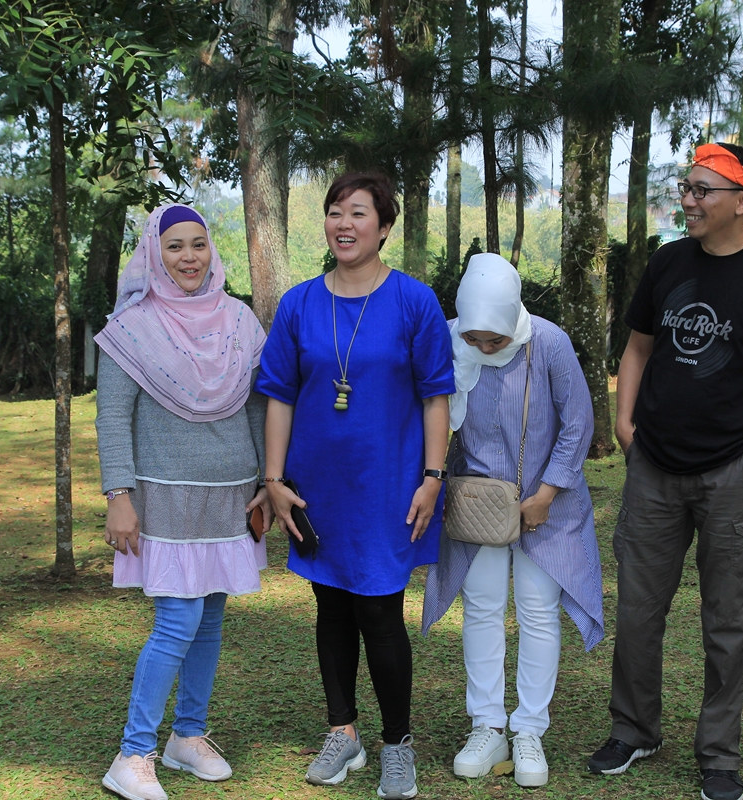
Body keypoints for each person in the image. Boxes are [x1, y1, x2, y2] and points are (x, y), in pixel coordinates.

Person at [586, 142, 743, 800]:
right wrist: (625, 424)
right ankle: (633, 730)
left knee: (727, 623)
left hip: (733, 474)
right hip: (654, 469)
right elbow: (638, 349)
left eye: (702, 191)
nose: (688, 201)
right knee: (638, 611)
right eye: (686, 188)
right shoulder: (668, 263)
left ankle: (719, 754)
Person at [256, 172, 454, 800]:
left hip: (389, 484)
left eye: (359, 213)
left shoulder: (414, 301)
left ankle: (398, 745)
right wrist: (273, 480)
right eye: (335, 212)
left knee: (380, 610)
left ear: (385, 227)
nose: (344, 224)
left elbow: (436, 397)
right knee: (332, 605)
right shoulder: (298, 305)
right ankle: (343, 732)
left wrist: (433, 477)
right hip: (318, 488)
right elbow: (280, 396)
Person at [94, 203, 270, 800]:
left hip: (231, 495)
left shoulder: (239, 320)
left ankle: (187, 736)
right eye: (175, 246)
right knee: (178, 620)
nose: (189, 257)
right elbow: (112, 417)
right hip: (163, 495)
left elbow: (256, 406)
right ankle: (132, 754)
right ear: (154, 254)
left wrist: (268, 481)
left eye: (198, 244)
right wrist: (118, 495)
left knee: (211, 618)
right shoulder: (131, 327)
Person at [422, 254, 605, 789]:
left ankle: (529, 729)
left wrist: (546, 494)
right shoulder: (447, 337)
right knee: (481, 610)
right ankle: (487, 725)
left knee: (538, 612)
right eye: (474, 339)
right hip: (477, 502)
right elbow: (431, 411)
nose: (483, 349)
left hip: (547, 505)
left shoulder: (547, 341)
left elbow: (577, 422)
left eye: (494, 340)